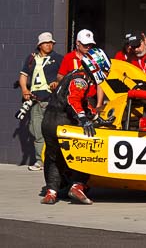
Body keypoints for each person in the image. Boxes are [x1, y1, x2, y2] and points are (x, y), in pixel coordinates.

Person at [40, 48, 115, 205]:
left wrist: (96, 117)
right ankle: (77, 186)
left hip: (48, 121)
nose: (105, 74)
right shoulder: (81, 79)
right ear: (96, 66)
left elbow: (82, 103)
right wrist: (84, 119)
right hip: (62, 123)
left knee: (54, 157)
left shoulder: (73, 74)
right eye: (105, 70)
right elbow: (73, 100)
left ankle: (51, 193)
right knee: (86, 151)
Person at [18, 32, 63, 171]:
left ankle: (54, 161)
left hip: (52, 101)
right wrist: (25, 90)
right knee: (36, 131)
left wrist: (57, 82)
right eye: (46, 43)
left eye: (51, 43)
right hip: (36, 101)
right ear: (40, 45)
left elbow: (65, 76)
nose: (49, 45)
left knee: (52, 132)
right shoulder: (31, 59)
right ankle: (40, 161)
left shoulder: (58, 58)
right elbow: (23, 76)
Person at [57, 29, 105, 109]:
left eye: (90, 44)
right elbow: (60, 76)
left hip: (90, 100)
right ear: (77, 43)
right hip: (72, 99)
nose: (88, 47)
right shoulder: (69, 57)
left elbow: (101, 83)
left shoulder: (96, 59)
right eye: (85, 44)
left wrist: (99, 105)